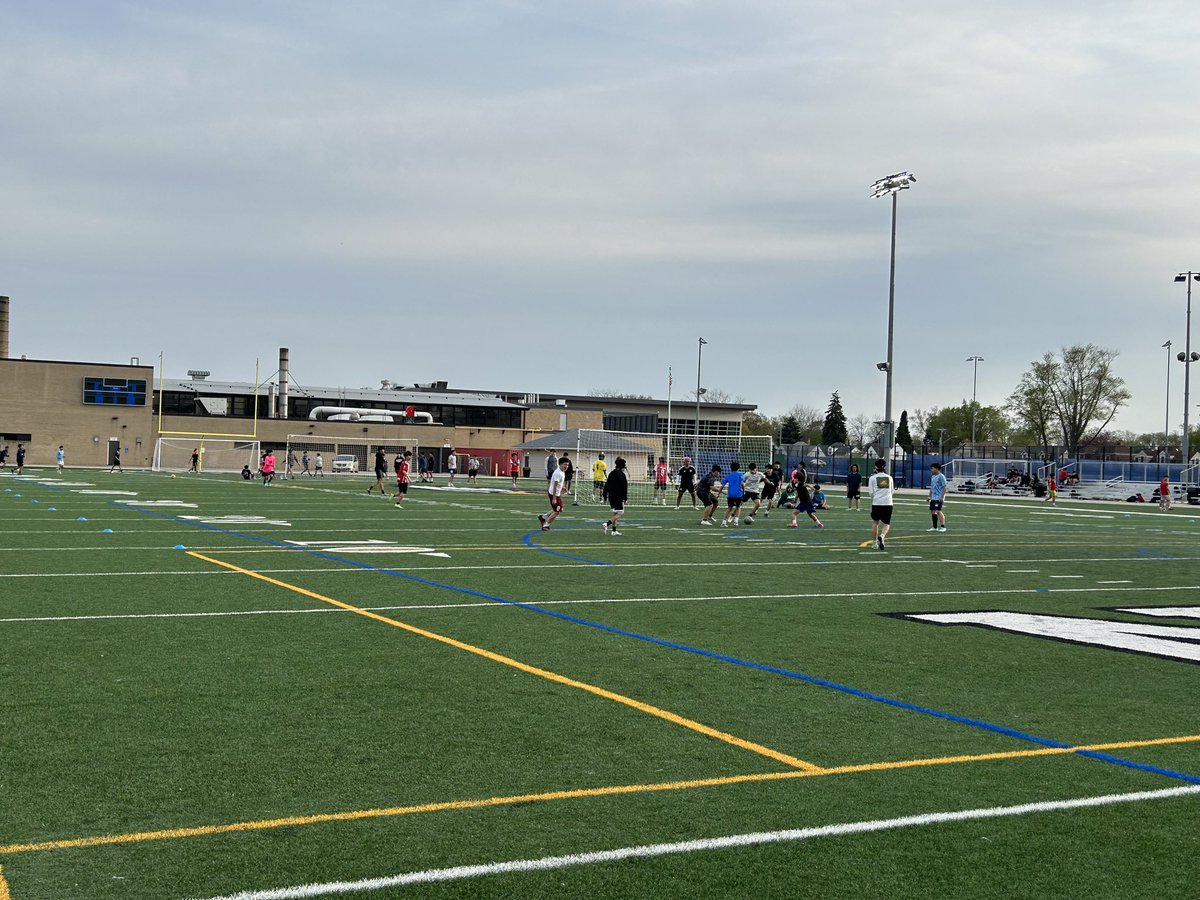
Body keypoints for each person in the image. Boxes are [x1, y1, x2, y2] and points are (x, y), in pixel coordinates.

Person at [867, 458, 894, 551]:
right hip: (888, 503)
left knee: (875, 523)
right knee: (887, 523)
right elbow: (892, 491)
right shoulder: (889, 478)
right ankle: (882, 536)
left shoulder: (872, 478)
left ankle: (874, 543)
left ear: (875, 467)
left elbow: (871, 492)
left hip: (876, 503)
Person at [538, 456, 570, 531]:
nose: (566, 466)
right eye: (565, 464)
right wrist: (554, 498)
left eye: (567, 465)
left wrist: (562, 488)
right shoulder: (558, 473)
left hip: (555, 493)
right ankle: (545, 526)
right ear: (560, 464)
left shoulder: (561, 471)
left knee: (557, 509)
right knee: (557, 511)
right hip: (554, 494)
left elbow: (557, 484)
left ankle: (543, 517)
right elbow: (555, 485)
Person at [602, 456, 629, 535]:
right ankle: (607, 524)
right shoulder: (622, 475)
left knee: (615, 513)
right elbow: (624, 488)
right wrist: (625, 498)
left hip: (611, 496)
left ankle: (614, 531)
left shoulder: (611, 473)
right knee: (620, 512)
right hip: (618, 497)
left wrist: (604, 495)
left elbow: (606, 485)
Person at [720, 461, 745, 527]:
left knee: (729, 508)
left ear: (730, 468)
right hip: (738, 494)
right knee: (738, 507)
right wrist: (744, 491)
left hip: (730, 494)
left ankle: (723, 522)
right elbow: (742, 484)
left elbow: (722, 485)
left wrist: (719, 493)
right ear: (738, 468)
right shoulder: (741, 474)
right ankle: (736, 522)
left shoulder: (728, 476)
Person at [928, 462, 948, 532]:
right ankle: (934, 527)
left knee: (938, 511)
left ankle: (943, 526)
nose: (931, 470)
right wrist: (929, 496)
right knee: (933, 511)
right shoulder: (933, 477)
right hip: (933, 497)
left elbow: (945, 487)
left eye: (932, 468)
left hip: (939, 497)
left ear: (936, 469)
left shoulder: (941, 476)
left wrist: (942, 497)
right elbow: (932, 487)